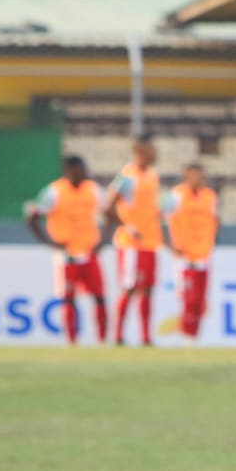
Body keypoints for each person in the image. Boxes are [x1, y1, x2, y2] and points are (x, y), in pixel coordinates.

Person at [24, 156, 112, 346]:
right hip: (66, 256)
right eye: (80, 170)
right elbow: (31, 216)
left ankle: (103, 341)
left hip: (89, 253)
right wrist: (50, 243)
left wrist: (103, 241)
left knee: (99, 297)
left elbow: (110, 214)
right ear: (70, 171)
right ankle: (71, 341)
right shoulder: (54, 192)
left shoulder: (93, 190)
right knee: (68, 299)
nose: (84, 174)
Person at [103, 135, 162, 347]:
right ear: (139, 150)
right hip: (130, 243)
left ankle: (146, 337)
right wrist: (127, 226)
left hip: (151, 241)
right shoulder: (126, 175)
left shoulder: (153, 175)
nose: (155, 153)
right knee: (129, 287)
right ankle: (118, 336)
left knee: (147, 288)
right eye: (151, 149)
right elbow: (107, 208)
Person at [163, 162, 220, 339]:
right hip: (184, 256)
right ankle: (186, 335)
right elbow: (157, 216)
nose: (197, 179)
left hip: (203, 255)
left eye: (199, 176)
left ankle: (193, 336)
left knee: (199, 302)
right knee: (189, 298)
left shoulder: (210, 196)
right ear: (186, 177)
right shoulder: (175, 195)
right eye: (193, 175)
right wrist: (170, 244)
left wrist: (209, 241)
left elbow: (216, 220)